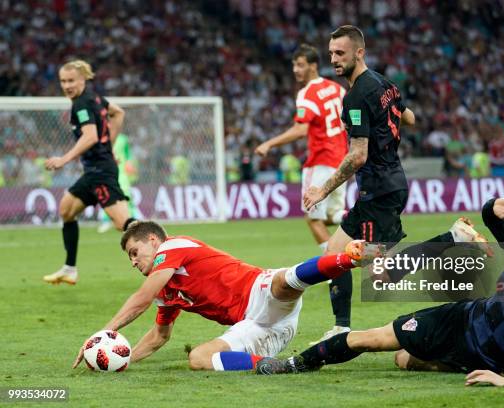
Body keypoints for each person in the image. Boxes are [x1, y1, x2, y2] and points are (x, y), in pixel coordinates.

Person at [256, 198, 504, 387]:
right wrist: (493, 206)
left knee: (405, 359)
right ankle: (294, 364)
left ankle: (450, 364)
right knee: (378, 341)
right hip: (459, 319)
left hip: (485, 359)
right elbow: (491, 218)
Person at [71, 221, 371, 371]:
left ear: (153, 240)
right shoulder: (165, 290)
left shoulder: (173, 247)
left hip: (259, 291)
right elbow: (159, 336)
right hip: (257, 328)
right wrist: (123, 360)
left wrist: (103, 334)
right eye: (130, 259)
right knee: (198, 359)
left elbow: (142, 298)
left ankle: (351, 258)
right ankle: (280, 365)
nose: (134, 262)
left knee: (283, 281)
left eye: (134, 253)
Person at [303, 26, 416, 342]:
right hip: (391, 184)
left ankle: (451, 238)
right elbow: (410, 118)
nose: (334, 59)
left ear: (359, 52)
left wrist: (321, 190)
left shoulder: (355, 97)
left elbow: (357, 156)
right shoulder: (385, 84)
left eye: (340, 53)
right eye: (331, 54)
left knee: (373, 269)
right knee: (335, 256)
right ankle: (340, 328)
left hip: (379, 189)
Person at [43, 60, 136, 285]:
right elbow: (118, 113)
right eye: (63, 81)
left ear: (83, 79)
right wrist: (109, 147)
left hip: (101, 173)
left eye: (71, 81)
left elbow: (90, 136)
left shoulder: (81, 104)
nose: (67, 85)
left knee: (126, 225)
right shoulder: (94, 98)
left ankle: (168, 253)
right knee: (66, 210)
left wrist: (63, 159)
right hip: (93, 172)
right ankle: (70, 268)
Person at [255, 44, 349, 254]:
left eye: (300, 65)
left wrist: (269, 143)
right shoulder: (337, 89)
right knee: (332, 215)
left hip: (320, 162)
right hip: (342, 162)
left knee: (313, 218)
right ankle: (357, 223)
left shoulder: (307, 94)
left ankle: (333, 269)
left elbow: (300, 129)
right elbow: (350, 119)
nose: (296, 70)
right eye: (294, 65)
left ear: (313, 66)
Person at [98, 132, 141, 233]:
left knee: (126, 195)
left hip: (122, 173)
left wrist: (129, 163)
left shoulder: (123, 139)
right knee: (107, 196)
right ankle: (107, 220)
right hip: (108, 173)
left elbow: (128, 154)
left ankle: (131, 219)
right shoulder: (101, 137)